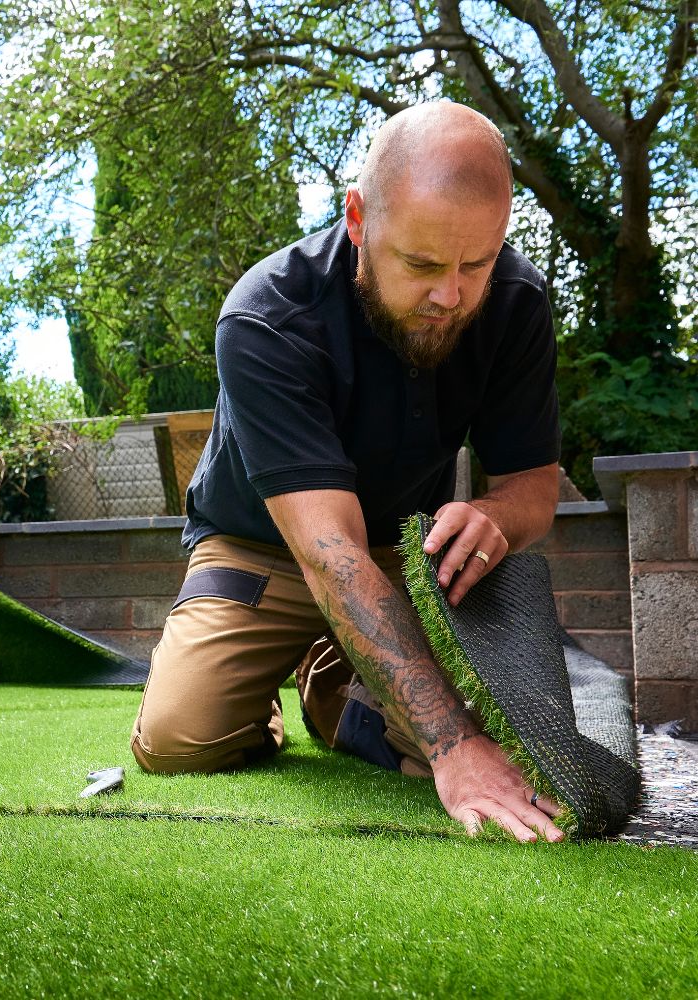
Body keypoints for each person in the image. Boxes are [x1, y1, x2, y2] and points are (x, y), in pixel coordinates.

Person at [131, 101, 566, 843]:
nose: (450, 296)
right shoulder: (267, 317)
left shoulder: (516, 305)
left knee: (507, 739)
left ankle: (334, 687)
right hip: (260, 550)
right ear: (359, 219)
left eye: (477, 263)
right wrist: (451, 748)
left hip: (401, 549)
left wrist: (495, 518)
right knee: (180, 741)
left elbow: (534, 486)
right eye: (422, 264)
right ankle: (263, 686)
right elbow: (329, 555)